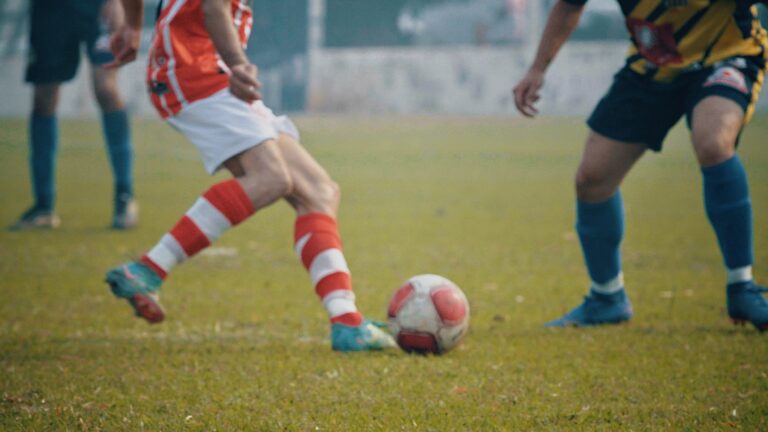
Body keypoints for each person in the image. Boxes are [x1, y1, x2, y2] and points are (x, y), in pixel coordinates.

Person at [103, 0, 395, 351]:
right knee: (271, 178)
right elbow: (213, 6)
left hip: (210, 69)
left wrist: (133, 27)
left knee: (319, 191)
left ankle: (347, 324)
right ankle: (147, 270)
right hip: (195, 68)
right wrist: (239, 63)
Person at [513, 0, 768, 331]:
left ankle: (742, 287)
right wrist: (537, 68)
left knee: (713, 141)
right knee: (593, 178)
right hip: (653, 65)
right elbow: (569, 6)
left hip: (726, 56)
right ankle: (607, 298)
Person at [10, 0, 138, 230]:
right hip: (50, 9)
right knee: (43, 100)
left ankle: (124, 196)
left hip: (96, 6)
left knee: (105, 89)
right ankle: (43, 206)